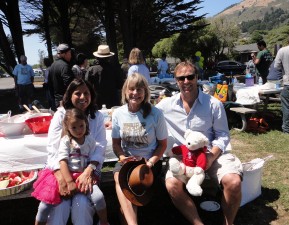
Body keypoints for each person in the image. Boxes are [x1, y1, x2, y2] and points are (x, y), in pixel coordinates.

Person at [156, 61, 243, 225]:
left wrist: (211, 156)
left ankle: (228, 222)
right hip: (183, 158)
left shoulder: (213, 104)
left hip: (211, 153)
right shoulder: (165, 106)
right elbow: (144, 110)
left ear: (197, 78)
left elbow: (223, 135)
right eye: (181, 78)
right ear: (176, 80)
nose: (186, 81)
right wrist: (114, 118)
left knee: (233, 182)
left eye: (190, 77)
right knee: (172, 184)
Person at [44, 78, 107, 225]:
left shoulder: (96, 117)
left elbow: (100, 147)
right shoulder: (60, 115)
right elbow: (53, 150)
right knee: (61, 203)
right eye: (78, 93)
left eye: (86, 93)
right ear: (69, 95)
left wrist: (88, 172)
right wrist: (62, 179)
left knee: (82, 203)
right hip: (60, 169)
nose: (83, 97)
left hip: (88, 168)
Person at [33, 107, 109, 225]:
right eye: (74, 127)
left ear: (86, 124)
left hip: (81, 177)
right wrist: (68, 182)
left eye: (81, 126)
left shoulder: (90, 140)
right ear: (67, 128)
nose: (78, 130)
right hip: (66, 175)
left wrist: (90, 173)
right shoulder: (66, 141)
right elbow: (62, 161)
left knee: (98, 197)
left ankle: (104, 222)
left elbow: (94, 157)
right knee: (45, 205)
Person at [111, 72, 168, 225]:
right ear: (125, 91)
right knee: (119, 177)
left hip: (149, 162)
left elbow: (163, 145)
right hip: (127, 161)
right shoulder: (118, 113)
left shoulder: (156, 114)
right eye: (131, 89)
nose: (135, 93)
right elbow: (116, 144)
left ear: (145, 92)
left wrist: (150, 163)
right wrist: (122, 157)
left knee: (133, 180)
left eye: (139, 89)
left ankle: (129, 220)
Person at [85, 44, 124, 109]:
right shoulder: (115, 69)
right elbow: (120, 85)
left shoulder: (91, 70)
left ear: (97, 57)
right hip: (113, 101)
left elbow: (87, 86)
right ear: (109, 57)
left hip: (97, 102)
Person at [48, 43, 75, 111]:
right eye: (69, 53)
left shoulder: (52, 65)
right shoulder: (65, 66)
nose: (71, 56)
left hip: (57, 100)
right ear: (64, 54)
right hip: (66, 101)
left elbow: (49, 85)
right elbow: (69, 84)